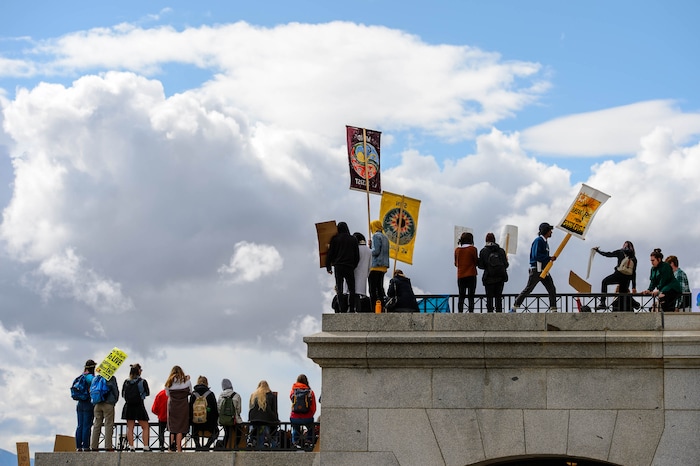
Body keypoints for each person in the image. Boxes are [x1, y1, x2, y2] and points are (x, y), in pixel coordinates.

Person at [511, 222, 558, 313]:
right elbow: (536, 255)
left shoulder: (545, 242)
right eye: (550, 230)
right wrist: (549, 258)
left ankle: (553, 309)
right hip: (537, 270)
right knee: (529, 289)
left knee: (551, 288)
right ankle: (515, 306)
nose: (551, 232)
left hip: (544, 270)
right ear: (546, 231)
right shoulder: (538, 241)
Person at [326, 221, 360, 313]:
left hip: (338, 266)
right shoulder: (353, 239)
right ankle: (352, 308)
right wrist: (354, 265)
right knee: (352, 289)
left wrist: (328, 267)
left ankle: (342, 309)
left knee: (339, 289)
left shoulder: (335, 239)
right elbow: (357, 255)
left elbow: (330, 254)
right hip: (349, 266)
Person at [593, 241, 638, 310]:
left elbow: (608, 254)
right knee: (623, 294)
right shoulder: (634, 258)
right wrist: (633, 287)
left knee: (604, 282)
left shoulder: (620, 252)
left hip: (618, 275)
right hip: (627, 278)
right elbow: (633, 273)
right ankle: (632, 306)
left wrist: (598, 251)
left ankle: (602, 303)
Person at [121, 363, 151, 452]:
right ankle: (145, 446)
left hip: (128, 406)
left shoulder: (126, 381)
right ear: (138, 371)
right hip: (139, 406)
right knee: (145, 426)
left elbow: (123, 394)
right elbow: (147, 393)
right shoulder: (142, 381)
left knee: (130, 427)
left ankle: (131, 446)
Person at [477, 232, 509, 313]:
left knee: (489, 298)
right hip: (500, 278)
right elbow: (506, 265)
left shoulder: (483, 251)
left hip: (488, 278)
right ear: (495, 240)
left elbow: (480, 266)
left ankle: (489, 315)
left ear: (486, 240)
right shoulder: (501, 251)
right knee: (498, 298)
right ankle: (499, 314)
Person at [90, 368, 119, 451]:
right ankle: (108, 446)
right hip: (108, 403)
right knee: (108, 424)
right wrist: (114, 401)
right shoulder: (111, 378)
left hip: (97, 404)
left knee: (96, 425)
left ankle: (94, 446)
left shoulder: (96, 378)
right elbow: (115, 391)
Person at [165, 365, 192, 452]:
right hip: (183, 406)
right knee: (180, 428)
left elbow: (167, 394)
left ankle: (171, 448)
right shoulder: (187, 382)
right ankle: (179, 448)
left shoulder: (168, 382)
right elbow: (190, 392)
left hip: (172, 406)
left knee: (173, 428)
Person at [189, 375, 219, 451]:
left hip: (196, 422)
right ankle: (207, 446)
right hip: (208, 422)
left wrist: (190, 420)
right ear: (206, 383)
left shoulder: (193, 394)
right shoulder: (210, 394)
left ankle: (197, 445)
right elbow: (215, 409)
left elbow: (190, 408)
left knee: (194, 431)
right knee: (216, 432)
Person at [247, 380, 279, 449]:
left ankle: (251, 440)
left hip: (254, 418)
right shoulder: (271, 395)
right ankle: (266, 440)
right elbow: (274, 409)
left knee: (254, 427)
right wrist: (276, 419)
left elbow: (250, 408)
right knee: (268, 427)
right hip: (266, 418)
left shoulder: (253, 395)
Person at [289, 374, 317, 449]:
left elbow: (292, 401)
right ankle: (308, 441)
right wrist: (310, 414)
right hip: (307, 417)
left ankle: (295, 442)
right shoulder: (310, 392)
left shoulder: (293, 391)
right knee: (311, 428)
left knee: (295, 428)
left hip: (294, 416)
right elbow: (313, 406)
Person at [74, 359, 96, 452]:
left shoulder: (81, 376)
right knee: (87, 425)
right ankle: (86, 446)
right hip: (88, 403)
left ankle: (78, 446)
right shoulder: (90, 377)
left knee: (80, 425)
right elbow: (95, 385)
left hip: (80, 403)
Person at [454, 231, 479, 313]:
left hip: (461, 275)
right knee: (471, 296)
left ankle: (460, 312)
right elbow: (476, 261)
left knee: (461, 295)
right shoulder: (473, 249)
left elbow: (456, 264)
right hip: (471, 274)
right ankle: (471, 312)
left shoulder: (457, 250)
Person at [369, 219, 390, 309]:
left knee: (372, 289)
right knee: (380, 288)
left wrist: (368, 250)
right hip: (383, 266)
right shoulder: (385, 237)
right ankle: (382, 307)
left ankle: (374, 308)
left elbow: (376, 251)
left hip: (375, 266)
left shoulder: (375, 236)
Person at [218, 378, 243, 449]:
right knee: (239, 431)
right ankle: (236, 446)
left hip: (224, 420)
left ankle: (224, 447)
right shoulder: (236, 395)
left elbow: (219, 408)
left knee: (227, 433)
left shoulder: (221, 396)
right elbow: (239, 410)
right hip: (234, 419)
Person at [351, 232, 372, 312]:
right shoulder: (369, 251)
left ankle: (356, 309)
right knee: (360, 292)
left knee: (354, 293)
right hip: (364, 273)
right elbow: (370, 265)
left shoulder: (356, 249)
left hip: (355, 272)